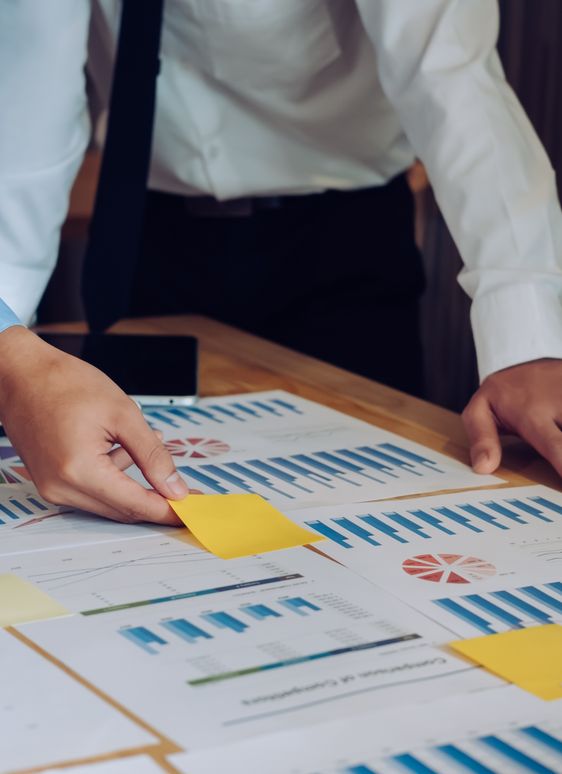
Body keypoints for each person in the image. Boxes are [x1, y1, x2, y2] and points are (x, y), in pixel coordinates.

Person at [1, 0, 562, 527]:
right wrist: (10, 354)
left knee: (358, 511)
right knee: (121, 491)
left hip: (340, 242)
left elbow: (455, 78)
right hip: (151, 235)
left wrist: (528, 337)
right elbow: (26, 95)